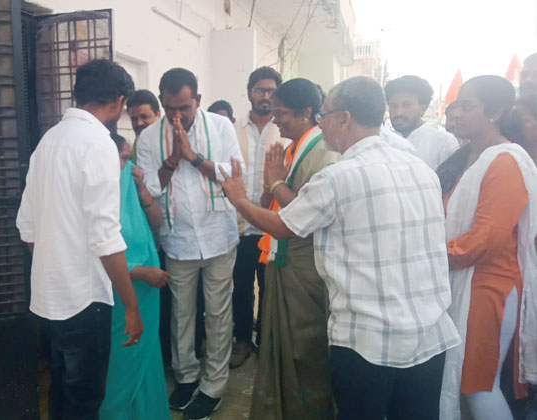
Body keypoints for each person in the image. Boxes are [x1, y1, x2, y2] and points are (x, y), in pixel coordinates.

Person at [218, 75, 461, 420]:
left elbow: (283, 226)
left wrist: (239, 199)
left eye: (324, 115)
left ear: (344, 118)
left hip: (368, 342)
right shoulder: (420, 169)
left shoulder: (338, 176)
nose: (320, 123)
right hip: (428, 336)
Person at [16, 59, 143, 420]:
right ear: (118, 101)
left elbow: (27, 225)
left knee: (61, 393)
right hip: (84, 301)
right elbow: (105, 237)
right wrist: (131, 306)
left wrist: (55, 269)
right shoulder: (98, 143)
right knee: (84, 401)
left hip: (50, 296)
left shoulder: (49, 141)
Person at [136, 67, 244, 420]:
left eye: (184, 107)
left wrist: (193, 157)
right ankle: (186, 377)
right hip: (178, 238)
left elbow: (234, 176)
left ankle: (213, 386)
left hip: (218, 235)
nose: (177, 116)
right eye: (170, 108)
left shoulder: (221, 127)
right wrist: (173, 158)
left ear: (197, 99)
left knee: (218, 313)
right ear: (162, 101)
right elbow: (150, 189)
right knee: (181, 314)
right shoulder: (149, 138)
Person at [436, 75, 537, 420]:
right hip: (463, 279)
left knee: (477, 385)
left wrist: (429, 255)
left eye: (468, 107)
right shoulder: (465, 157)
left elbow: (486, 240)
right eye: (455, 106)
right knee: (466, 384)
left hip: (489, 285)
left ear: (495, 112)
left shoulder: (505, 161)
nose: (456, 114)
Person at [248, 78, 339, 420]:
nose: (275, 120)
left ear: (306, 112)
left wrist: (274, 182)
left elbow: (307, 215)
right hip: (283, 260)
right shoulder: (293, 148)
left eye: (282, 113)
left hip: (306, 268)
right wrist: (270, 185)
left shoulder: (324, 152)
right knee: (282, 347)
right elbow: (271, 202)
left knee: (305, 351)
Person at [98, 133, 171, 420]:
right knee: (123, 360)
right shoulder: (99, 194)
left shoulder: (129, 184)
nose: (126, 165)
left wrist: (141, 190)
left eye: (128, 158)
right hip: (121, 293)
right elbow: (95, 253)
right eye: (122, 158)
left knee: (146, 356)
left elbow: (157, 222)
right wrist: (140, 272)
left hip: (146, 293)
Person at [229, 66, 288, 369]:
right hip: (239, 226)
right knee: (240, 287)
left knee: (269, 288)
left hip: (271, 227)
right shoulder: (233, 129)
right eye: (260, 90)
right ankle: (242, 340)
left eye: (271, 91)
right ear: (249, 92)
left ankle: (265, 341)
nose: (265, 96)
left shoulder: (285, 131)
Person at [385, 75, 459, 169]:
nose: (398, 112)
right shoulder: (382, 140)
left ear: (423, 108)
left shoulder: (444, 142)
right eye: (393, 106)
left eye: (406, 105)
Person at [127, 89, 161, 162]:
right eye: (134, 119)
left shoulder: (170, 143)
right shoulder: (131, 148)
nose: (139, 123)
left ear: (158, 114)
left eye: (144, 117)